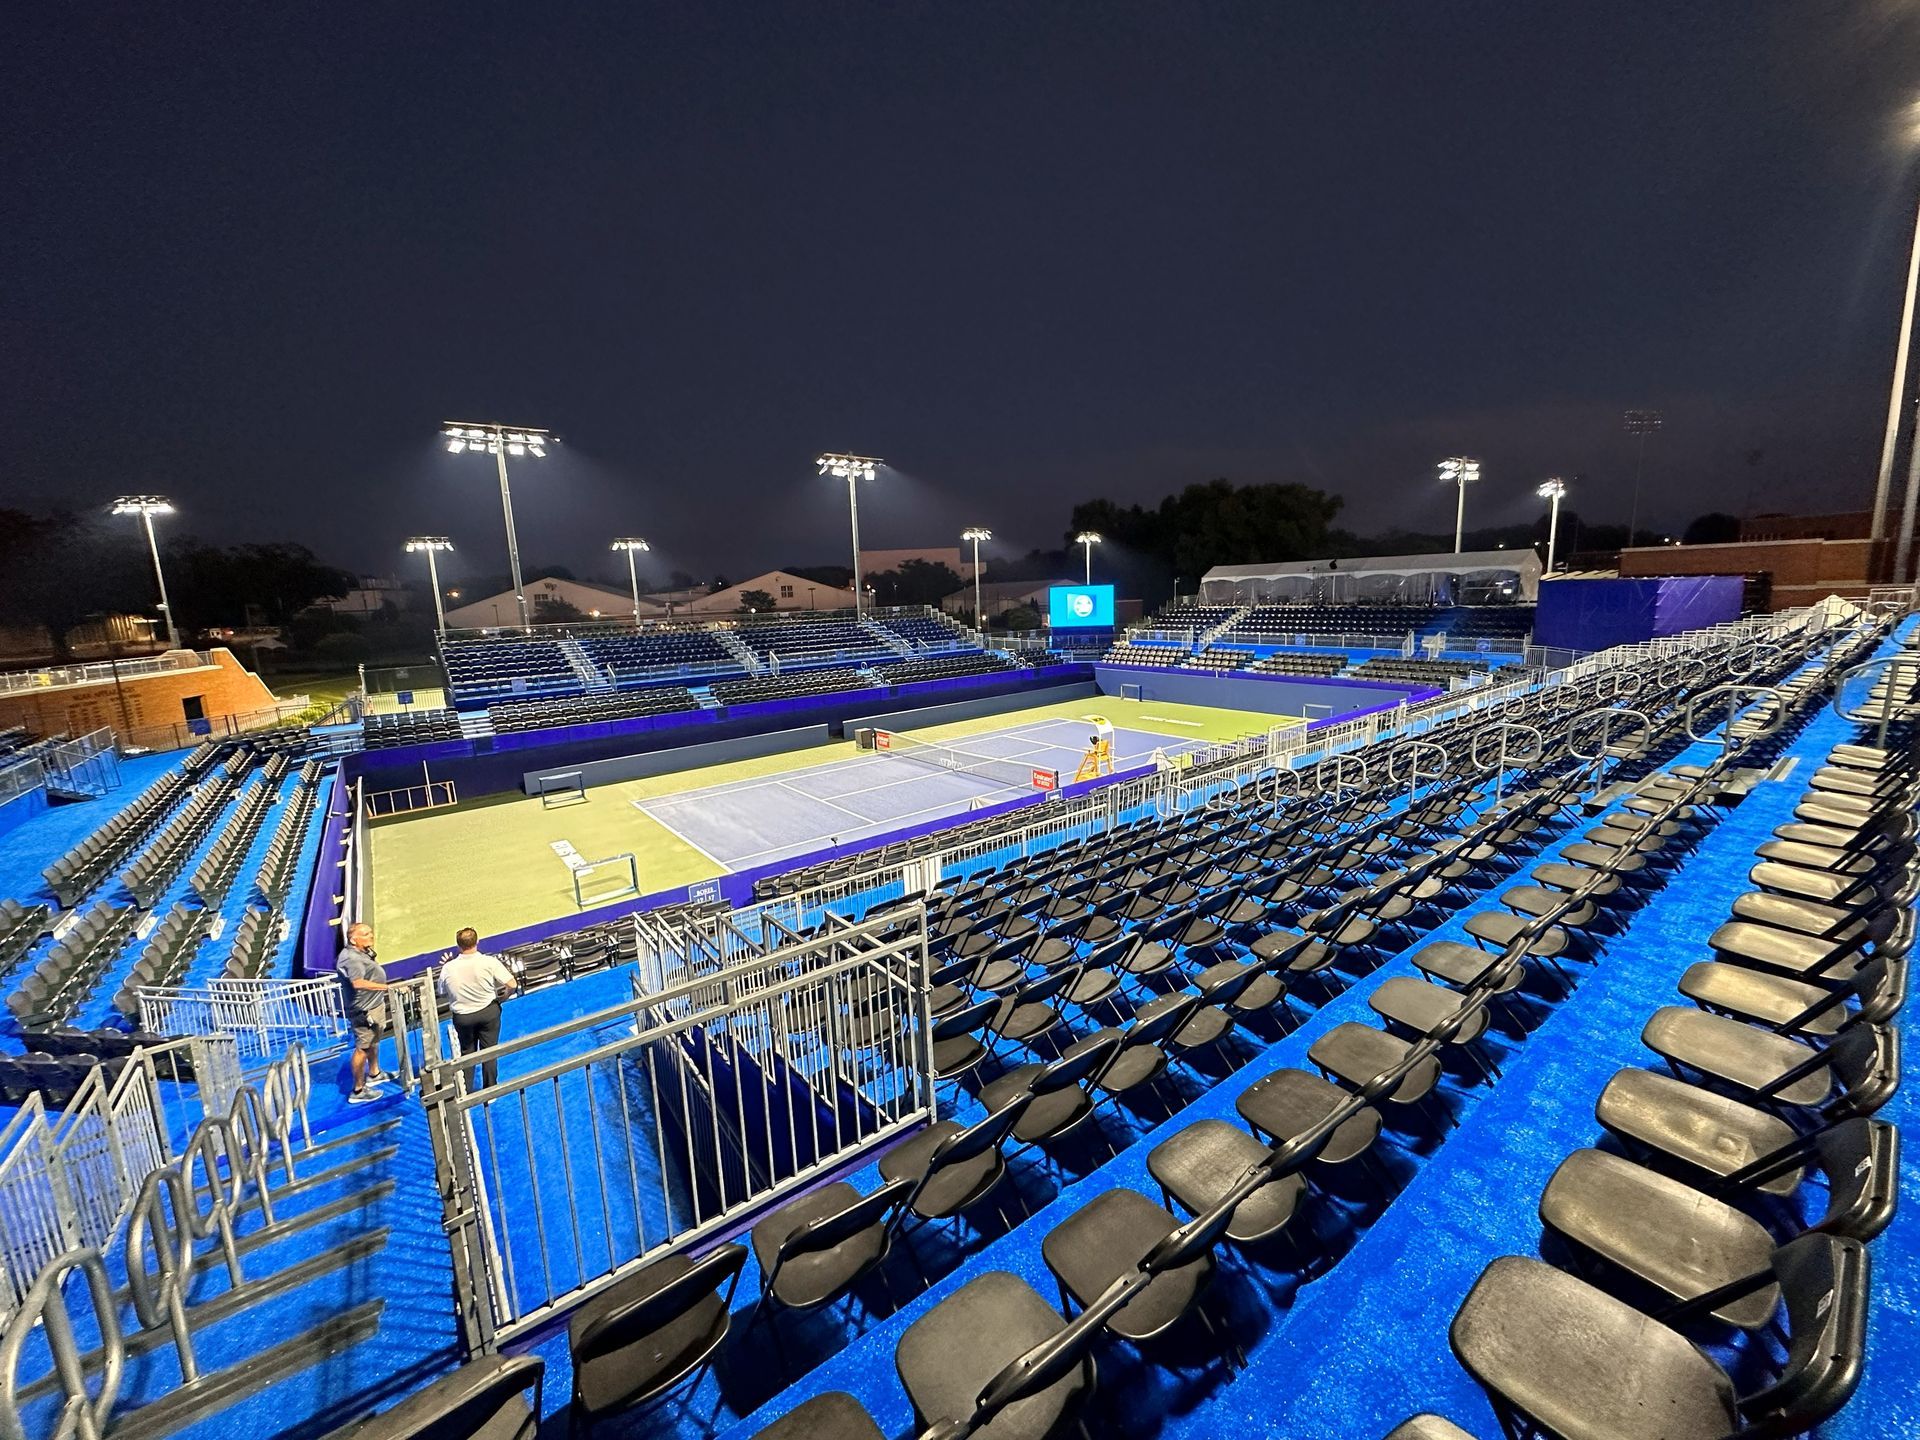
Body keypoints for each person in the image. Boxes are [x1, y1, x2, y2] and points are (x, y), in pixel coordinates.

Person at [438, 927, 518, 1089]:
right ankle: (490, 1088)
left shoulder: (448, 968)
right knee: (489, 1052)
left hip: (463, 1017)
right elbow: (512, 984)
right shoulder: (489, 962)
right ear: (477, 941)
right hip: (488, 1012)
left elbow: (441, 992)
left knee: (467, 1053)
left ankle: (466, 1089)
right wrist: (503, 997)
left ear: (458, 945)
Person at [336, 921, 395, 1103]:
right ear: (354, 940)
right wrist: (385, 988)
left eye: (370, 933)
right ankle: (359, 1090)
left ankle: (375, 1073)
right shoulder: (351, 958)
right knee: (363, 1048)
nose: (371, 936)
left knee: (372, 1042)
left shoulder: (360, 953)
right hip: (363, 1010)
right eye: (366, 934)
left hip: (373, 1005)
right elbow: (358, 983)